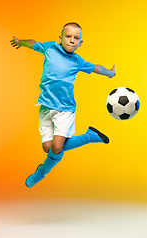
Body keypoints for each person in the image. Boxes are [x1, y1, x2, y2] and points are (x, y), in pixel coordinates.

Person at [10, 22, 116, 188]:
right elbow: (33, 43)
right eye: (68, 36)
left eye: (76, 38)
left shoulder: (77, 61)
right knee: (48, 148)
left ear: (80, 43)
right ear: (60, 38)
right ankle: (89, 136)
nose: (72, 41)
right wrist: (21, 42)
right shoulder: (50, 48)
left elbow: (96, 68)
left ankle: (41, 173)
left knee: (57, 147)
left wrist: (110, 73)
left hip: (65, 110)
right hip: (45, 106)